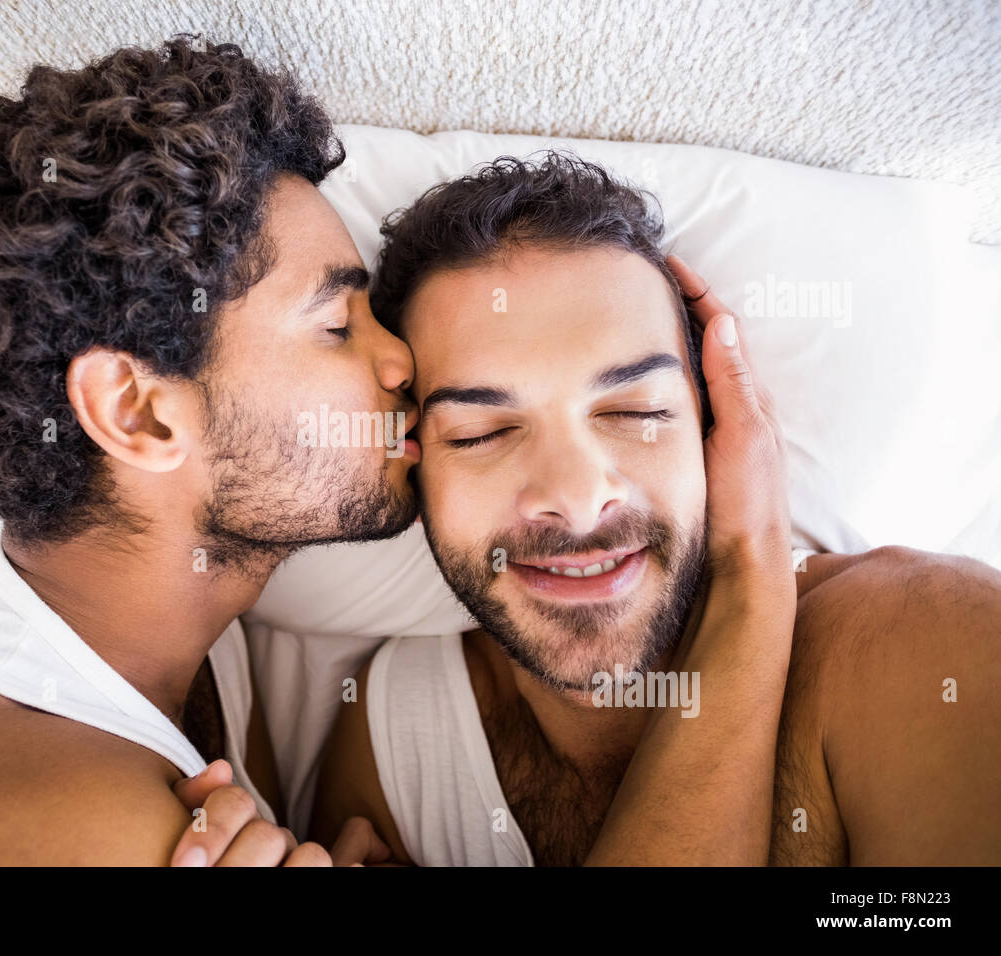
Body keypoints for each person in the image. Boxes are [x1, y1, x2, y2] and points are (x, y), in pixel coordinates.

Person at [0, 40, 795, 866]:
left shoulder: (165, 649)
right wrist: (751, 575)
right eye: (339, 326)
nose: (404, 366)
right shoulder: (31, 814)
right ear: (141, 414)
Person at [310, 153, 1001, 865]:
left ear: (711, 431)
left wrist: (751, 560)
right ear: (412, 472)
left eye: (637, 411)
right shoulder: (395, 740)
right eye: (481, 433)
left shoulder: (929, 643)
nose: (578, 500)